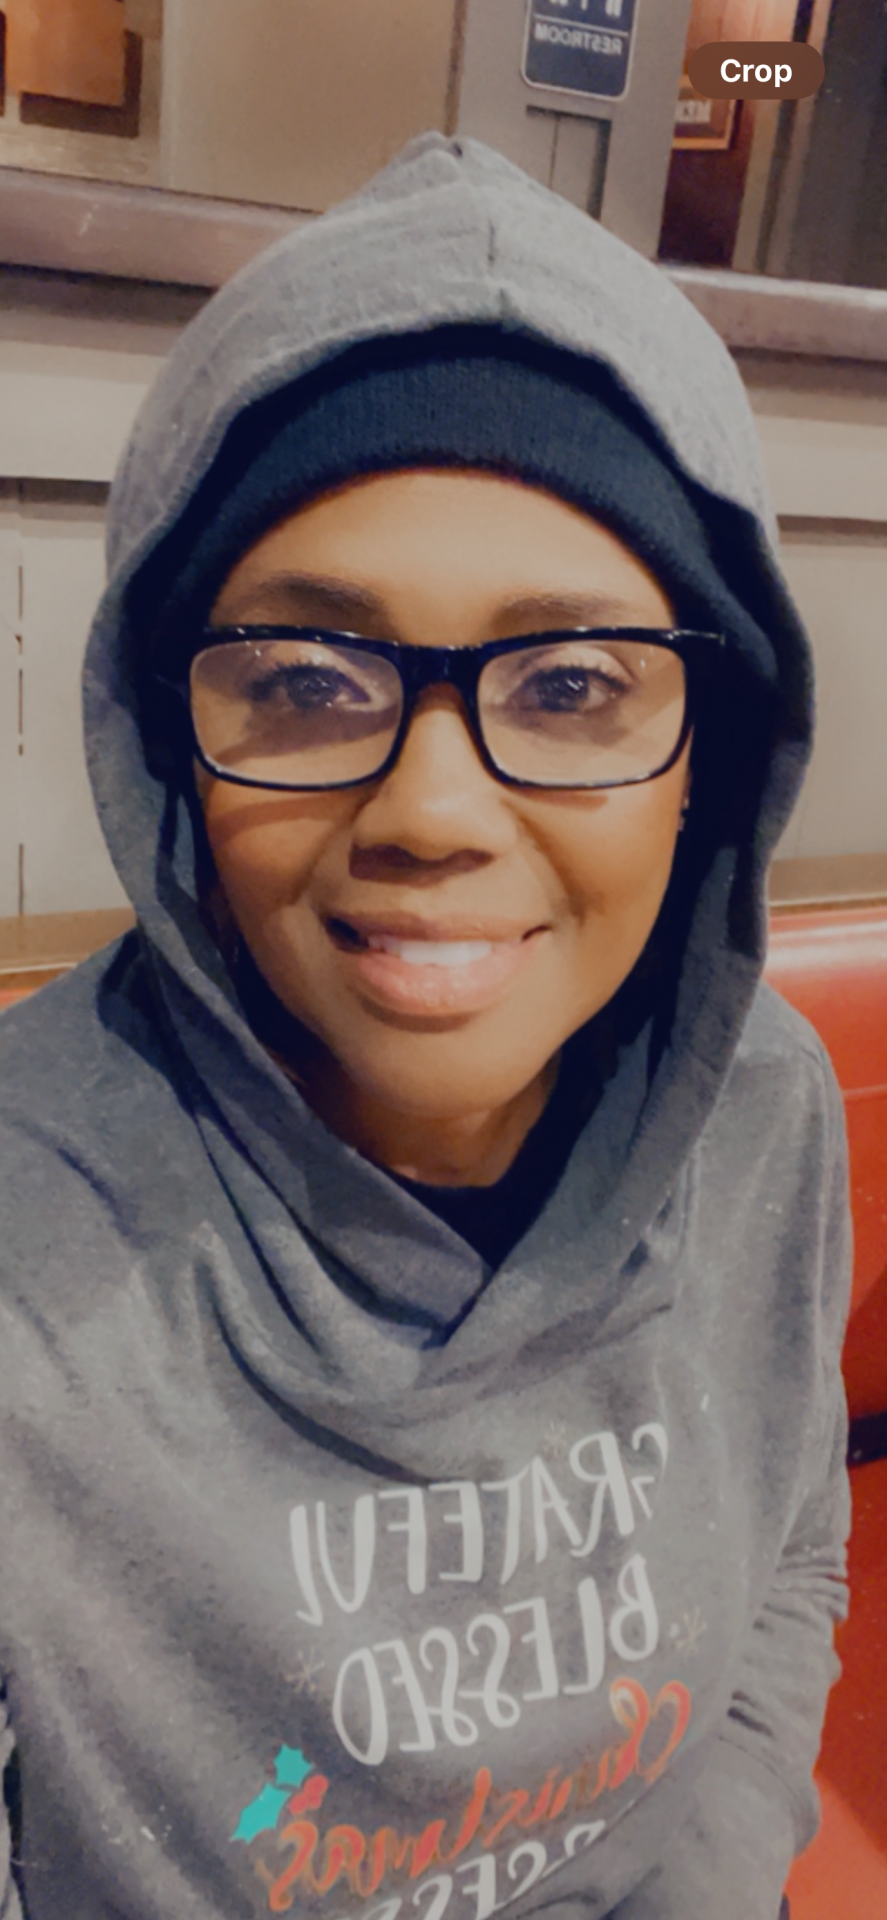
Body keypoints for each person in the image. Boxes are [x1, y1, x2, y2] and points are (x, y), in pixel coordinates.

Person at [0, 133, 849, 1920]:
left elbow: (791, 1542)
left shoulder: (767, 1109)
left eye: (571, 683)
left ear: (706, 758)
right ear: (168, 741)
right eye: (308, 682)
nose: (434, 812)